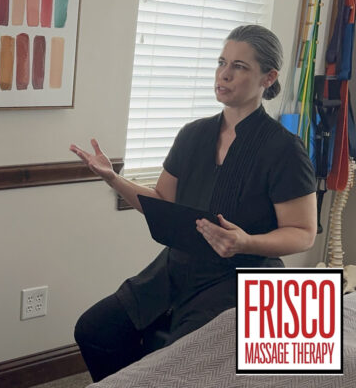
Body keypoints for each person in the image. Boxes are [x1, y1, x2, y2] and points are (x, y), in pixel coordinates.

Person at [69, 25, 317, 382]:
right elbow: (161, 202)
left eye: (240, 66)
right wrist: (113, 178)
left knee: (180, 365)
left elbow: (303, 233)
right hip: (177, 266)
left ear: (269, 77)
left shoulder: (284, 149)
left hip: (242, 278)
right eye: (221, 62)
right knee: (94, 330)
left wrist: (246, 241)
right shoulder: (193, 134)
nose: (225, 74)